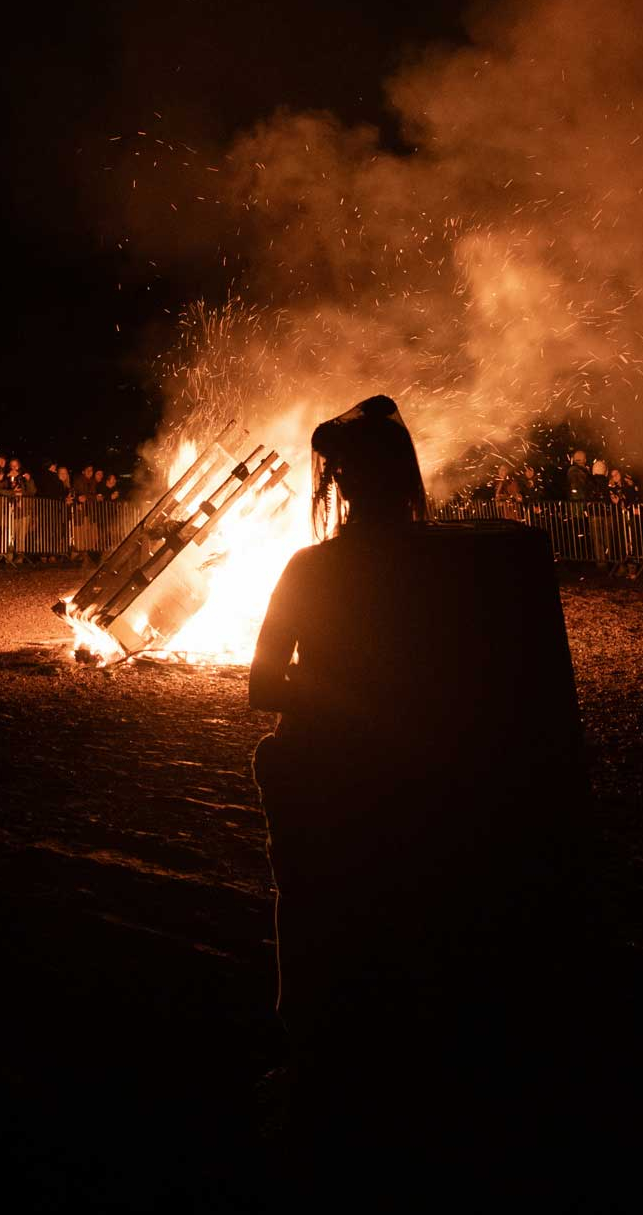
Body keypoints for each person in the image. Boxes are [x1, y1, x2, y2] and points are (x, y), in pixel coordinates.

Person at [249, 393, 584, 1134]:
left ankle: (319, 1067)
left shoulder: (311, 569)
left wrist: (338, 702)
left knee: (319, 916)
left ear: (338, 483)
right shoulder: (453, 572)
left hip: (327, 777)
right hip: (419, 770)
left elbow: (263, 685)